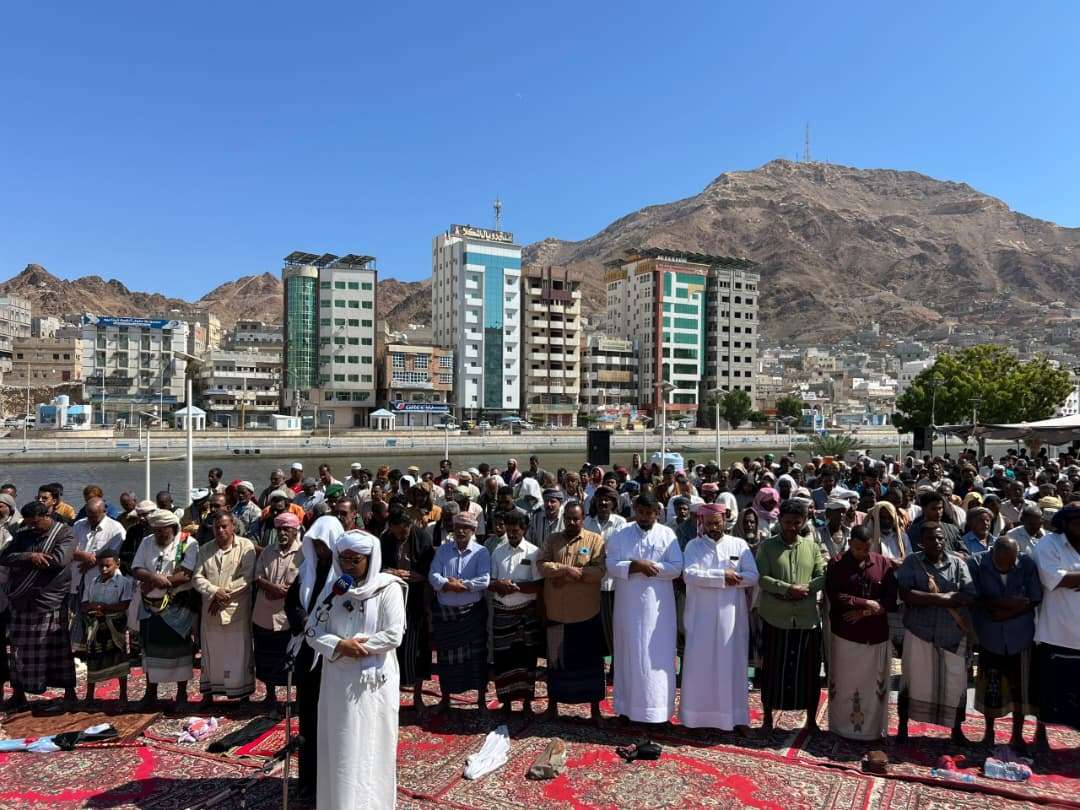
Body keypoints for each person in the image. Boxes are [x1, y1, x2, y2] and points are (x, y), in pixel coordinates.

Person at [307, 529, 405, 810]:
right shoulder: (334, 589)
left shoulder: (388, 588)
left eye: (355, 560)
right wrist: (339, 645)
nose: (348, 565)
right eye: (344, 559)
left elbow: (393, 635)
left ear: (370, 560)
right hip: (339, 681)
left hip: (374, 684)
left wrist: (358, 647)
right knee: (342, 746)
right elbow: (312, 631)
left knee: (373, 746)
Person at [606, 492, 683, 730]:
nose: (644, 517)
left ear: (657, 513)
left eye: (649, 513)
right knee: (629, 654)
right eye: (640, 512)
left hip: (658, 611)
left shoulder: (667, 534)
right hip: (628, 609)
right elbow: (610, 564)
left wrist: (652, 567)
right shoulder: (621, 534)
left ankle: (659, 713)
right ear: (635, 511)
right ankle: (626, 709)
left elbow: (677, 568)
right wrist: (634, 566)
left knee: (657, 658)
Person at [679, 503, 759, 733]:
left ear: (725, 521)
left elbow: (753, 576)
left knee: (731, 665)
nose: (713, 527)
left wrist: (734, 578)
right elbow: (689, 575)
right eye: (709, 523)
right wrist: (721, 577)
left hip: (731, 619)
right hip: (701, 618)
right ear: (702, 522)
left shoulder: (739, 545)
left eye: (717, 523)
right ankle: (695, 719)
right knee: (699, 666)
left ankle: (736, 718)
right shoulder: (693, 546)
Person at [896, 521, 976, 743]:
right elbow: (906, 594)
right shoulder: (912, 562)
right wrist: (943, 598)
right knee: (913, 680)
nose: (937, 542)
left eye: (940, 538)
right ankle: (903, 727)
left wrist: (928, 598)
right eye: (931, 538)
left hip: (951, 633)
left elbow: (969, 594)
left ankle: (956, 730)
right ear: (922, 542)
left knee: (955, 683)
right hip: (919, 631)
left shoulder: (957, 564)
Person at [755, 498, 826, 733]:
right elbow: (761, 577)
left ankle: (811, 721)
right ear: (780, 520)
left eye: (797, 522)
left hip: (806, 620)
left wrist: (806, 589)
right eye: (787, 522)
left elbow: (821, 575)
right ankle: (767, 719)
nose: (792, 527)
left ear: (804, 521)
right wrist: (786, 589)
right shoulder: (767, 547)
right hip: (776, 619)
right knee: (772, 670)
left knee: (808, 672)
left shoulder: (811, 546)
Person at [0, 501, 77, 712]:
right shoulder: (23, 535)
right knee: (19, 652)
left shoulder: (65, 534)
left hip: (50, 600)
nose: (33, 527)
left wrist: (26, 562)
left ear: (46, 516)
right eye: (29, 524)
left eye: (36, 523)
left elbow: (58, 560)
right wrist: (29, 556)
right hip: (22, 601)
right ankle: (19, 695)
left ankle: (70, 695)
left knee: (58, 651)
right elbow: (5, 557)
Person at [824, 525, 897, 741]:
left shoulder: (883, 563)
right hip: (846, 637)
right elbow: (835, 595)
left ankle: (871, 732)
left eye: (866, 549)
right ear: (850, 544)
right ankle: (841, 729)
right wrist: (865, 602)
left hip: (874, 636)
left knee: (872, 686)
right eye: (857, 549)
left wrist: (864, 612)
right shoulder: (837, 563)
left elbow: (891, 600)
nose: (862, 553)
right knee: (845, 685)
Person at [968, 536, 1041, 750]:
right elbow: (973, 598)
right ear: (993, 554)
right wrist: (1004, 604)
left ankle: (1017, 735)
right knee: (990, 687)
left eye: (1011, 563)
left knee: (1021, 689)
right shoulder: (976, 563)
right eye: (1003, 563)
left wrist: (1008, 612)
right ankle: (989, 733)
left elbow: (1035, 597)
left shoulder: (1026, 563)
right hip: (990, 635)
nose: (1008, 567)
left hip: (1021, 634)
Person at [537, 501, 607, 722]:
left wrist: (568, 575)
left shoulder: (595, 540)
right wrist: (565, 569)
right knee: (556, 663)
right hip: (557, 614)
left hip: (586, 613)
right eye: (568, 518)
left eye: (576, 518)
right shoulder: (552, 540)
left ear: (583, 519)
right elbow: (541, 564)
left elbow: (599, 571)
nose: (571, 522)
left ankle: (595, 711)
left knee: (590, 663)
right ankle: (553, 707)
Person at [131, 509, 198, 710]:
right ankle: (150, 694)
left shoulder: (188, 543)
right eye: (156, 530)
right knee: (150, 651)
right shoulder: (147, 542)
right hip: (150, 605)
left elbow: (186, 574)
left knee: (180, 652)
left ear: (173, 527)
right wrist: (152, 577)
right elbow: (136, 568)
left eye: (163, 530)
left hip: (177, 605)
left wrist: (160, 581)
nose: (159, 534)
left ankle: (181, 695)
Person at [428, 512, 491, 714]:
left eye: (466, 528)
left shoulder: (481, 552)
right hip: (446, 615)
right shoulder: (443, 550)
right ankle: (445, 699)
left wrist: (462, 585)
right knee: (446, 660)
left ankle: (481, 700)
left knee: (477, 659)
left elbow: (484, 580)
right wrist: (447, 584)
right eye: (458, 527)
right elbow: (433, 575)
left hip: (471, 613)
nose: (461, 531)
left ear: (473, 530)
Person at [192, 513, 257, 701]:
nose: (220, 530)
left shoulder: (246, 546)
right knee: (212, 653)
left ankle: (243, 696)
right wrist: (214, 591)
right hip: (211, 611)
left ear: (233, 526)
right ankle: (209, 696)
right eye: (217, 527)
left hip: (236, 611)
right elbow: (197, 577)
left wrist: (221, 596)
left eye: (224, 526)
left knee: (238, 654)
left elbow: (246, 577)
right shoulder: (205, 549)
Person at [1030, 503, 1080, 747]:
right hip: (1057, 631)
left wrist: (1073, 578)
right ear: (1065, 523)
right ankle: (1040, 735)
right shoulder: (1048, 544)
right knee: (1049, 690)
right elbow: (1053, 578)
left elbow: (1068, 578)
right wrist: (1068, 579)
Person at [379, 508, 435, 714]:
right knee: (393, 649)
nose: (401, 536)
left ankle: (417, 697)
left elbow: (430, 569)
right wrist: (391, 572)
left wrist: (418, 575)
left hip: (417, 600)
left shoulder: (423, 538)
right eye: (397, 532)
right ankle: (391, 696)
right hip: (392, 598)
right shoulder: (386, 539)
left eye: (404, 531)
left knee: (418, 650)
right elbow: (379, 566)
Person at [488, 509, 543, 714]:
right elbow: (491, 582)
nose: (511, 534)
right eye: (509, 530)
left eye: (515, 530)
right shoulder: (497, 552)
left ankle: (527, 702)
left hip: (526, 613)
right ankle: (507, 702)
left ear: (524, 529)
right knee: (504, 659)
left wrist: (517, 586)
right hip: (503, 613)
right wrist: (499, 585)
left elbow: (538, 585)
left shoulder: (533, 552)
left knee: (526, 658)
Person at [252, 511, 302, 709]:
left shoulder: (304, 553)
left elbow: (306, 580)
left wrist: (287, 591)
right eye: (279, 529)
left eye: (287, 529)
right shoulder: (267, 552)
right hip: (264, 614)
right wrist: (270, 586)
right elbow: (257, 576)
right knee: (265, 658)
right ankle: (270, 696)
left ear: (295, 531)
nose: (282, 533)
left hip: (288, 617)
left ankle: (297, 700)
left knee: (293, 659)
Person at [69, 497, 125, 654]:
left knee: (99, 615)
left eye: (95, 516)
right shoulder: (79, 525)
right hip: (78, 577)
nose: (91, 519)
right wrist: (84, 556)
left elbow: (113, 555)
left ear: (104, 511)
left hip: (101, 580)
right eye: (89, 515)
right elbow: (69, 548)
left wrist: (92, 561)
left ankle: (100, 651)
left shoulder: (116, 528)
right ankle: (78, 649)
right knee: (76, 614)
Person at [80, 549, 133, 708]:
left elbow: (124, 604)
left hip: (115, 625)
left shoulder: (124, 582)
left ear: (117, 564)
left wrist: (105, 607)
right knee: (93, 660)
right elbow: (84, 604)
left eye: (107, 566)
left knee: (120, 661)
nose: (103, 569)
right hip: (95, 625)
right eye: (101, 566)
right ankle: (89, 696)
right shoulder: (93, 582)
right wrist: (92, 608)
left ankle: (123, 695)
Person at [585, 486, 627, 675]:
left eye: (607, 499)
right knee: (594, 627)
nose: (603, 503)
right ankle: (596, 665)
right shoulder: (587, 522)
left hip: (613, 584)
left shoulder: (620, 523)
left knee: (615, 626)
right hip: (592, 584)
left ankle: (617, 667)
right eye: (600, 499)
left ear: (613, 503)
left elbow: (621, 550)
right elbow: (583, 549)